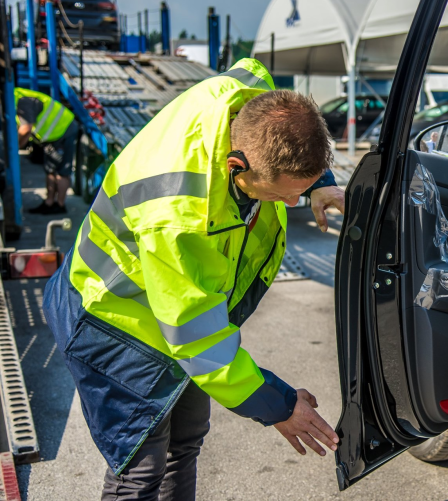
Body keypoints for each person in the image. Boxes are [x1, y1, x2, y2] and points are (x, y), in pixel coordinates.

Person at [43, 59, 345, 500]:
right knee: (140, 472)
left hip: (169, 309)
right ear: (236, 166)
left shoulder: (248, 98)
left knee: (186, 441)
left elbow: (260, 78)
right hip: (112, 320)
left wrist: (323, 181)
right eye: (284, 192)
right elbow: (198, 337)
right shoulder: (178, 213)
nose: (294, 201)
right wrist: (277, 405)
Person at [15, 87, 79, 214]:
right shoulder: (15, 96)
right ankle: (49, 203)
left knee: (62, 171)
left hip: (63, 130)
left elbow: (26, 129)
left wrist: (15, 148)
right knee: (50, 170)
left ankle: (60, 205)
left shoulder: (22, 101)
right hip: (51, 135)